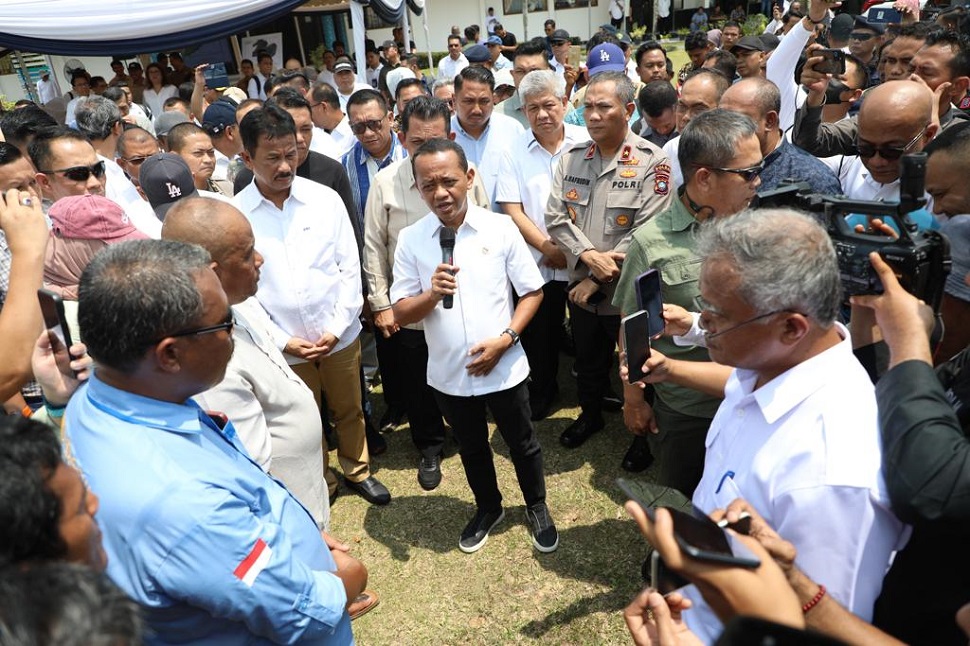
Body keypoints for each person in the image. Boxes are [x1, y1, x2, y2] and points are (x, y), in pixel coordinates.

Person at [65, 239, 363, 643]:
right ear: (169, 355)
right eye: (226, 324)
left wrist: (292, 534)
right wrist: (347, 579)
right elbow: (301, 614)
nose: (233, 334)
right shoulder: (185, 507)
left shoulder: (95, 399)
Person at [636, 209, 908, 642]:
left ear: (790, 327)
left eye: (716, 316)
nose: (702, 322)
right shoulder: (767, 366)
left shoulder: (829, 476)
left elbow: (820, 634)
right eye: (703, 307)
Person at [390, 138, 557, 554]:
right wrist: (430, 295)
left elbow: (532, 292)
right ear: (417, 188)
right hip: (450, 373)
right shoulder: (412, 240)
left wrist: (506, 340)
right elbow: (402, 312)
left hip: (504, 365)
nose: (440, 193)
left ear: (469, 178)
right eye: (428, 186)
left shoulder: (500, 228)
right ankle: (488, 507)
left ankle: (536, 504)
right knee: (471, 446)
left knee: (522, 442)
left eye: (448, 181)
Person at [234, 105, 390, 506]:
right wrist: (283, 340)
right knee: (302, 421)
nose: (285, 166)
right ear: (247, 157)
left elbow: (348, 267)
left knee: (350, 408)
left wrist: (336, 328)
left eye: (291, 154)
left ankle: (358, 470)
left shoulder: (325, 200)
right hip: (279, 347)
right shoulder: (236, 217)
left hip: (338, 335)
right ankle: (320, 481)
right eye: (273, 158)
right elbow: (242, 293)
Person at [161, 197, 335, 532]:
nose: (260, 260)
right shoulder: (211, 366)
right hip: (287, 526)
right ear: (211, 274)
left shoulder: (239, 305)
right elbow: (252, 473)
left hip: (304, 503)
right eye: (246, 254)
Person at [614, 109, 761, 493]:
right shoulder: (652, 243)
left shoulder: (757, 225)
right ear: (704, 178)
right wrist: (635, 399)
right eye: (747, 173)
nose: (757, 182)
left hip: (753, 396)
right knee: (681, 498)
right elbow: (632, 328)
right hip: (689, 408)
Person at [545, 70, 671, 470]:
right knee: (588, 361)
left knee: (636, 364)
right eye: (588, 107)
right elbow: (555, 219)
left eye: (604, 106)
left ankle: (640, 438)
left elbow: (648, 231)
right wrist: (590, 259)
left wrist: (599, 278)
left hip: (628, 294)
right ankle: (591, 415)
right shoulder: (569, 158)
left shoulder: (654, 161)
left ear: (629, 110)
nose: (594, 115)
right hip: (582, 290)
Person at [363, 97, 490, 489]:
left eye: (436, 140)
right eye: (417, 143)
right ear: (402, 138)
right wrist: (382, 304)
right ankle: (430, 446)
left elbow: (487, 229)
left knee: (467, 367)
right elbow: (372, 247)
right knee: (418, 381)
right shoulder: (385, 183)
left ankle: (470, 430)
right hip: (413, 308)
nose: (428, 151)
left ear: (451, 136)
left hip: (464, 303)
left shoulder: (469, 175)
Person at [496, 70, 587, 421]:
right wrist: (548, 248)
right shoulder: (513, 150)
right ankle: (544, 389)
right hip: (539, 261)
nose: (542, 115)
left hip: (585, 258)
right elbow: (512, 209)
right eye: (532, 108)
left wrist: (575, 249)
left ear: (564, 103)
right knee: (541, 335)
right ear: (523, 111)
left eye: (549, 105)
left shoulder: (584, 141)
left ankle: (594, 391)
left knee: (587, 331)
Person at [718, 78, 841, 193]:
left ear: (769, 121)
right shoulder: (714, 160)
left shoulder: (811, 178)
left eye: (737, 119)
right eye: (720, 116)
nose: (725, 126)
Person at [451, 66, 524, 207]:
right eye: (469, 101)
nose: (477, 109)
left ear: (493, 98)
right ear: (454, 100)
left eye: (484, 101)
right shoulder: (443, 134)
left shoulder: (512, 130)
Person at [633, 80, 678, 148]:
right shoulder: (638, 130)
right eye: (653, 127)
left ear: (677, 108)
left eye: (667, 125)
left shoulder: (692, 130)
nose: (662, 132)